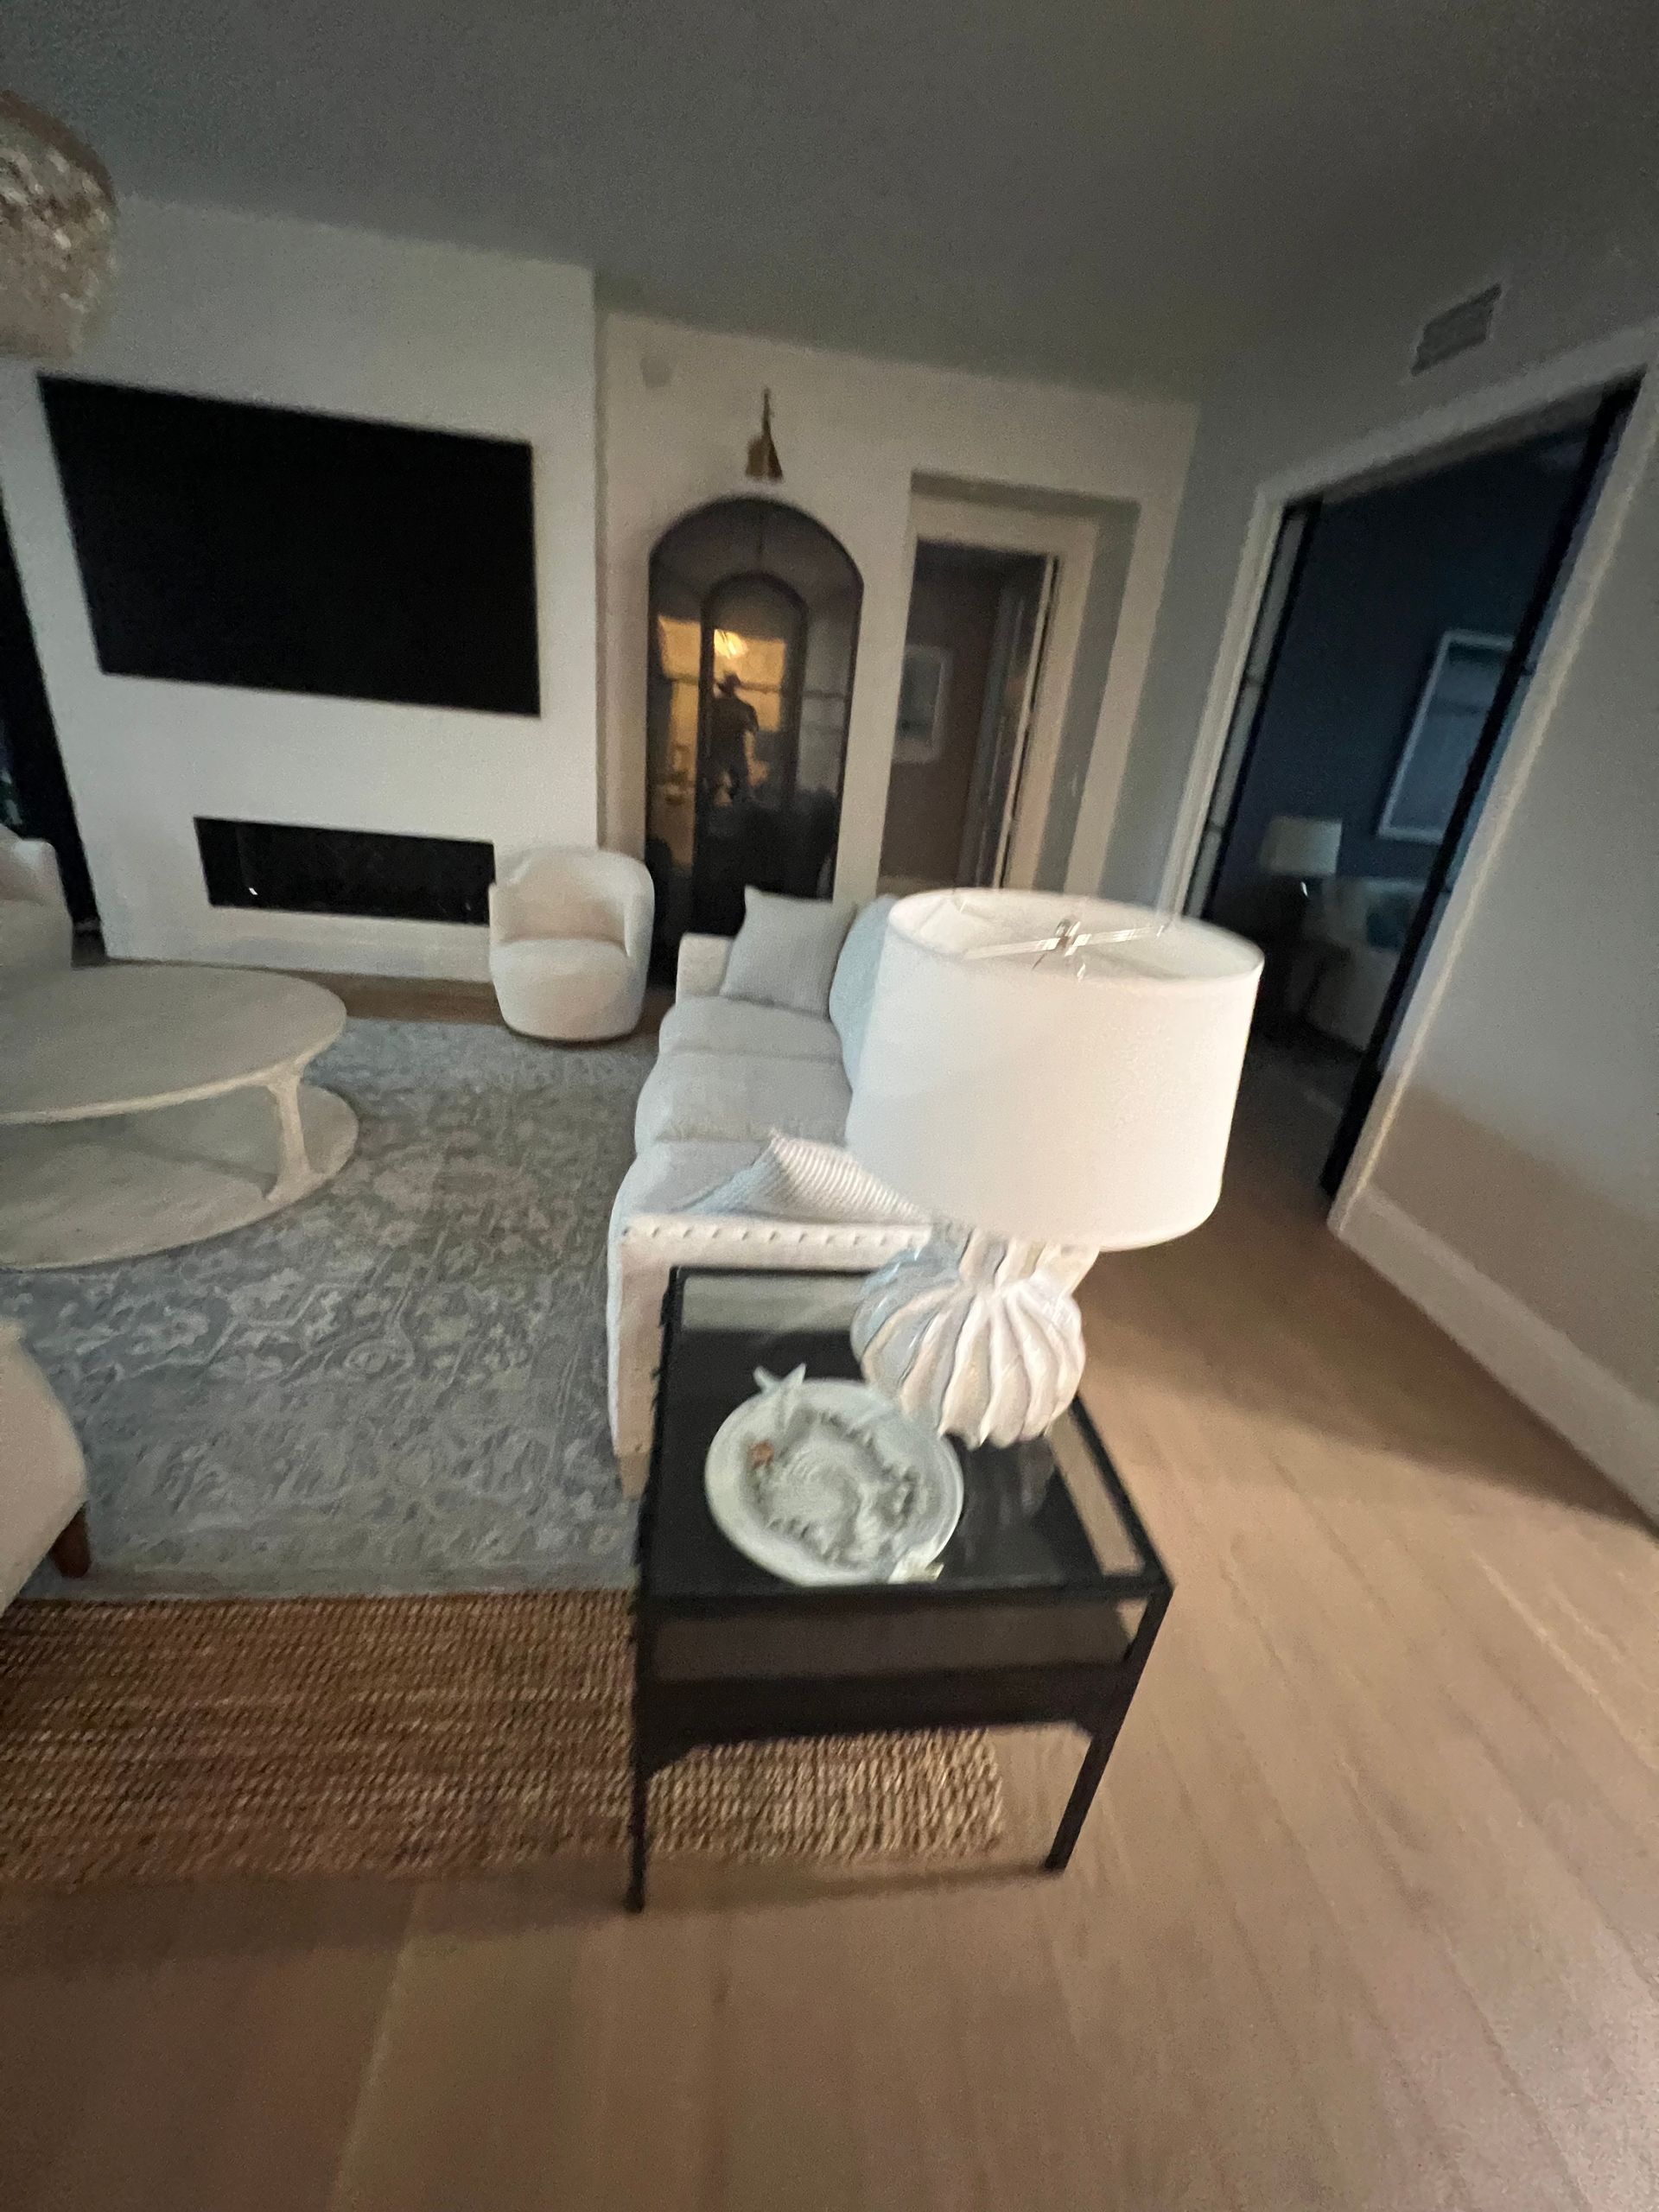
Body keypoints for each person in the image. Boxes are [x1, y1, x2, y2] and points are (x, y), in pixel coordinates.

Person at [702, 673, 760, 810]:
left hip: (728, 752)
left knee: (736, 788)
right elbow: (753, 728)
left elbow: (753, 728)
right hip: (722, 752)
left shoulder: (739, 707)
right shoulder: (719, 706)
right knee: (715, 788)